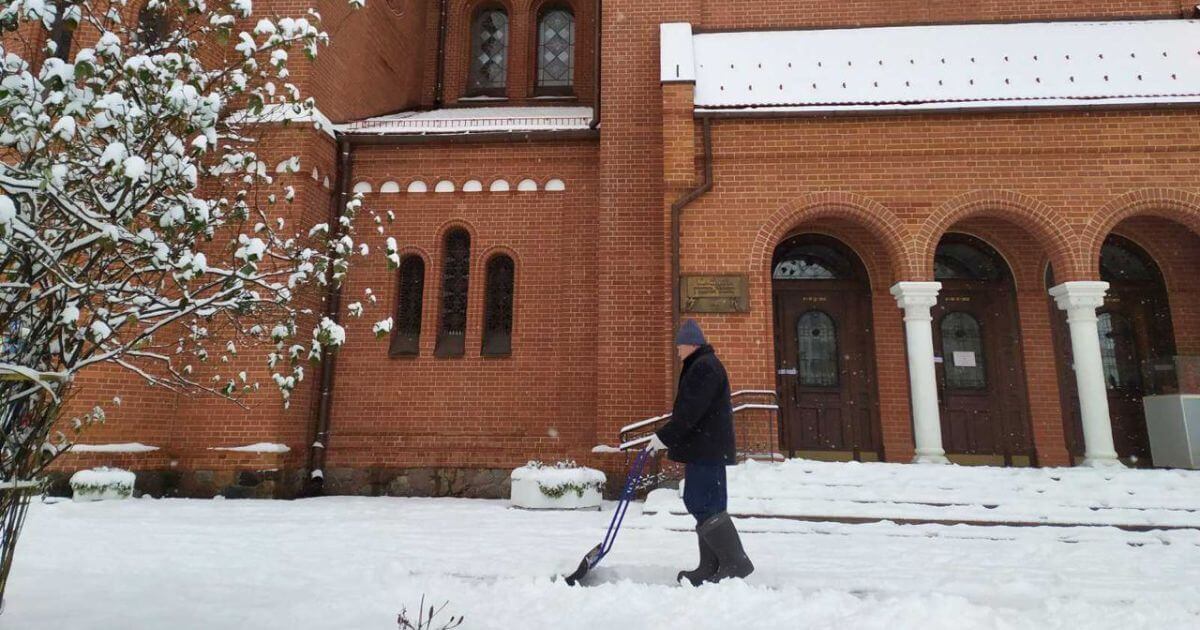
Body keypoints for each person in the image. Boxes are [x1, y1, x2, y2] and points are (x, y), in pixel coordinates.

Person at [647, 319, 754, 585]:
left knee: (701, 501)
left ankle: (734, 562)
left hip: (705, 449)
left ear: (691, 344)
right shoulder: (703, 365)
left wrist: (664, 437)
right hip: (706, 448)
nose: (677, 351)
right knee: (709, 504)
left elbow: (691, 412)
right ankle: (711, 565)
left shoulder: (704, 368)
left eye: (679, 346)